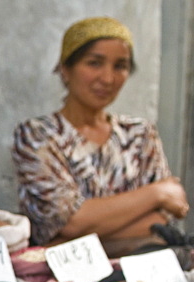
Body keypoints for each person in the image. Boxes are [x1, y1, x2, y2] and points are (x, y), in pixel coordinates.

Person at [12, 16, 189, 258]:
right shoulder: (38, 136)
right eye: (94, 63)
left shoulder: (139, 135)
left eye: (120, 66)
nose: (108, 78)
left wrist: (71, 235)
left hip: (143, 269)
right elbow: (69, 221)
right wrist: (156, 193)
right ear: (65, 69)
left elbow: (162, 219)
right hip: (65, 276)